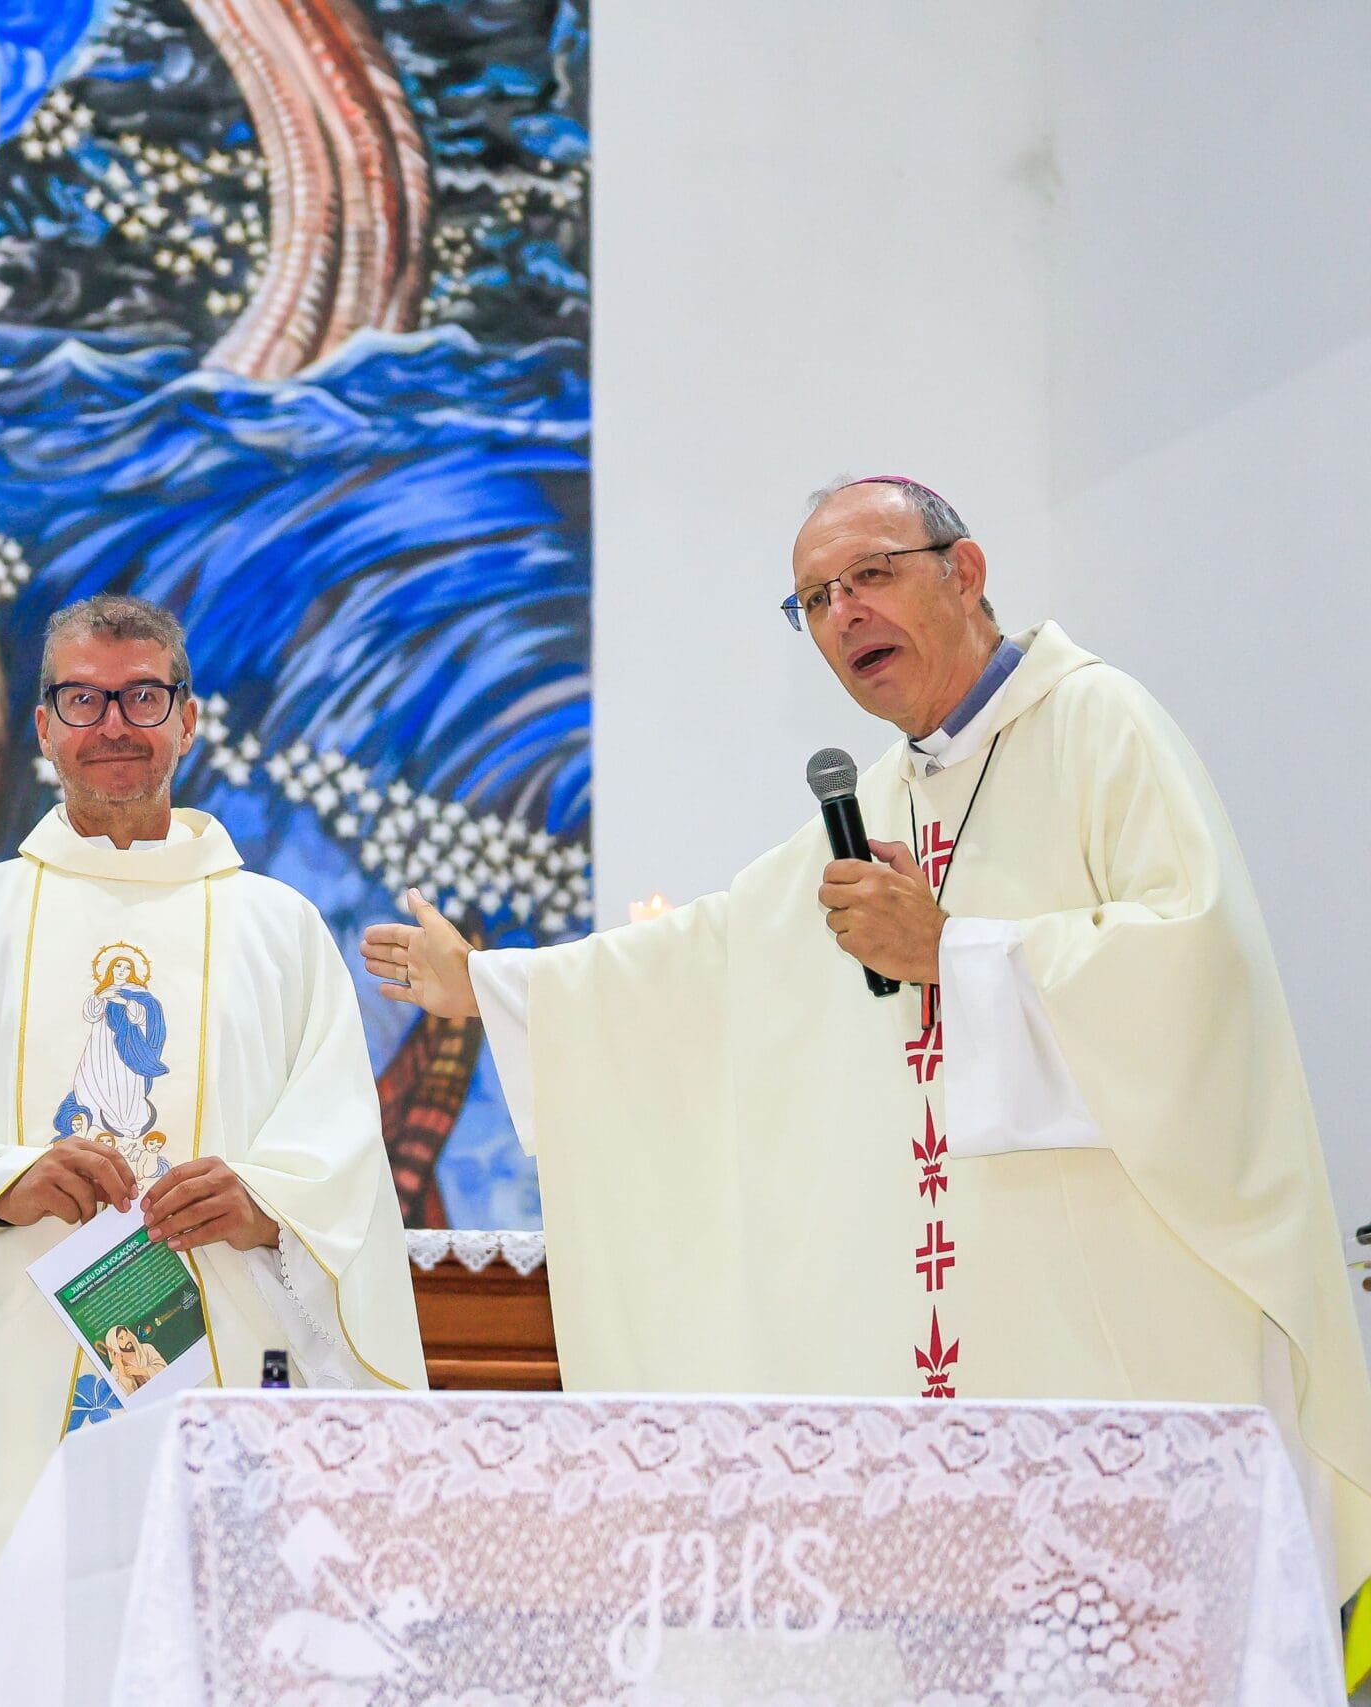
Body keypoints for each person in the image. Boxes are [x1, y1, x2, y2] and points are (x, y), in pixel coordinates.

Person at [365, 476, 1371, 1617]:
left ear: (966, 572)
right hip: (949, 1379)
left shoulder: (1098, 724)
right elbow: (707, 963)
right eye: (813, 599)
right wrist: (493, 988)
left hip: (1110, 1352)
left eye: (871, 575)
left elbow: (1194, 973)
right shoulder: (880, 799)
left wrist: (957, 953)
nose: (843, 613)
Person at [0, 594, 427, 1705]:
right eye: (83, 699)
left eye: (143, 696)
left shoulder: (278, 929)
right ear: (43, 725)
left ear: (187, 718)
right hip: (5, 1377)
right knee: (8, 1651)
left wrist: (265, 1200)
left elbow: (338, 1149)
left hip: (220, 1369)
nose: (114, 725)